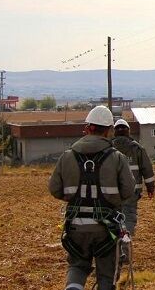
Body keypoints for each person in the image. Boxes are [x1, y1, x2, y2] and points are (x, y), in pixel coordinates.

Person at [49, 106, 135, 290]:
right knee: (106, 275)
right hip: (107, 230)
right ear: (108, 130)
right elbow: (128, 190)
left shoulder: (68, 156)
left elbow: (54, 189)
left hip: (75, 227)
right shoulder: (117, 158)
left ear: (88, 128)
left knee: (77, 266)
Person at [111, 119, 155, 235]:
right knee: (129, 216)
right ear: (128, 131)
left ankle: (114, 240)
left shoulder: (108, 148)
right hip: (132, 191)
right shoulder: (137, 148)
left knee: (112, 216)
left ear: (114, 132)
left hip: (111, 192)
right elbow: (147, 169)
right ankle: (125, 239)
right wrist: (150, 187)